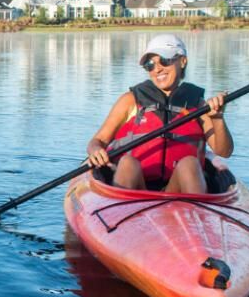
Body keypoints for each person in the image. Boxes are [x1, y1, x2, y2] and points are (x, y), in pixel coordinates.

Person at [85, 34, 231, 194]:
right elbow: (98, 140)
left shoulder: (198, 105)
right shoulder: (130, 100)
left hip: (178, 190)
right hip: (136, 190)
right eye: (150, 65)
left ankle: (196, 208)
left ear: (183, 61)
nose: (157, 69)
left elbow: (224, 151)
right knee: (127, 163)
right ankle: (120, 205)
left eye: (165, 60)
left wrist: (217, 118)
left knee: (189, 163)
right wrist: (95, 150)